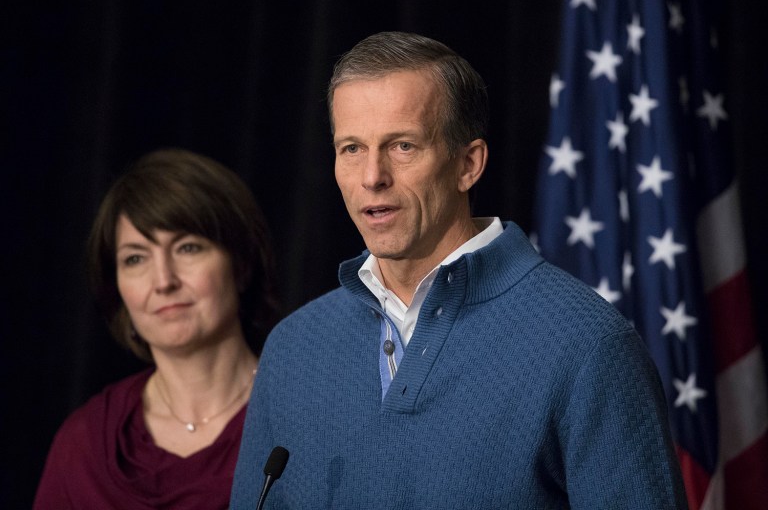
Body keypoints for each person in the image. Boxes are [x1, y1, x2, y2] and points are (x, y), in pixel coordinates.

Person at [231, 31, 688, 509]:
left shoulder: (588, 345)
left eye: (402, 146)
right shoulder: (292, 348)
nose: (372, 177)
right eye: (351, 149)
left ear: (468, 164)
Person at [33, 148, 280, 509]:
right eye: (135, 258)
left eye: (188, 248)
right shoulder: (84, 443)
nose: (163, 280)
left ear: (240, 264)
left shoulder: (302, 418)